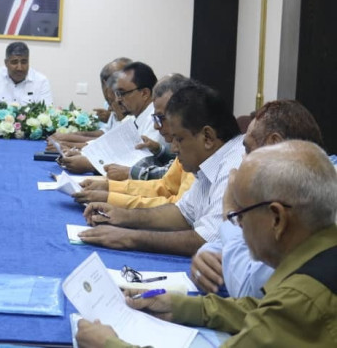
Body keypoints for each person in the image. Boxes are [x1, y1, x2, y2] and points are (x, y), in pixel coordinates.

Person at [76, 140, 337, 348]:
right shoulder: (319, 258)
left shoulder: (303, 300)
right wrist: (180, 306)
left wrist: (109, 344)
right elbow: (260, 309)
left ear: (277, 219)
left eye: (239, 215)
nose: (238, 225)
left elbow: (283, 310)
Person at [79, 84, 244, 256]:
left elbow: (207, 241)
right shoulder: (209, 162)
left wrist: (128, 238)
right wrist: (122, 216)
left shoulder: (234, 166)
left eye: (179, 139)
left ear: (207, 137)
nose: (173, 148)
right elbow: (182, 214)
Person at [191, 100, 325, 297]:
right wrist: (205, 255)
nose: (242, 161)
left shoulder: (308, 197)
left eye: (247, 150)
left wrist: (230, 212)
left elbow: (250, 289)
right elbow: (245, 245)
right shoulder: (290, 184)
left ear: (273, 144)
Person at [73, 75, 196, 208]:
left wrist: (109, 197)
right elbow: (165, 186)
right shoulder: (185, 143)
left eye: (122, 93)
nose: (117, 99)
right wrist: (109, 187)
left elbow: (178, 209)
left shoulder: (196, 150)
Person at [0, 41, 53, 106]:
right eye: (14, 62)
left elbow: (46, 112)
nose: (19, 68)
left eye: (24, 62)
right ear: (6, 63)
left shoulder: (41, 81)